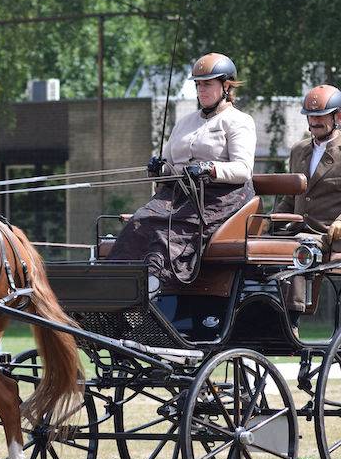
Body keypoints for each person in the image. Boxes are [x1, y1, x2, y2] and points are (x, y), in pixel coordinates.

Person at [107, 52, 256, 290]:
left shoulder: (239, 121)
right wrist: (159, 168)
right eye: (198, 85)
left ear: (226, 86)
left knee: (168, 234)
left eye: (207, 84)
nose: (201, 90)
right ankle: (114, 285)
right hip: (177, 195)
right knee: (139, 222)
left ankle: (151, 287)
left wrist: (209, 168)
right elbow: (170, 165)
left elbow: (243, 169)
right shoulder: (185, 122)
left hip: (217, 198)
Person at [275, 83, 341, 252]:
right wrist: (267, 223)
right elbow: (290, 200)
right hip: (294, 235)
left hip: (330, 239)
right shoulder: (298, 150)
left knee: (296, 250)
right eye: (310, 116)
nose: (314, 121)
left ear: (338, 116)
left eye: (321, 116)